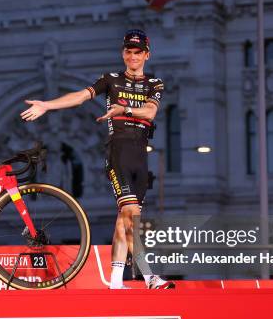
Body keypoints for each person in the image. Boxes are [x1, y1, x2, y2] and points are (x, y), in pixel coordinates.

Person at [20, 29, 174, 289]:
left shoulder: (154, 84)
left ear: (147, 55)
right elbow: (80, 97)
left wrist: (123, 108)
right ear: (123, 53)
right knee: (131, 214)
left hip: (140, 156)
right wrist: (47, 105)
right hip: (118, 153)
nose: (132, 56)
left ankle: (115, 281)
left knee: (123, 218)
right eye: (128, 51)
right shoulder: (110, 80)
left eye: (138, 52)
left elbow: (150, 113)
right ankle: (149, 276)